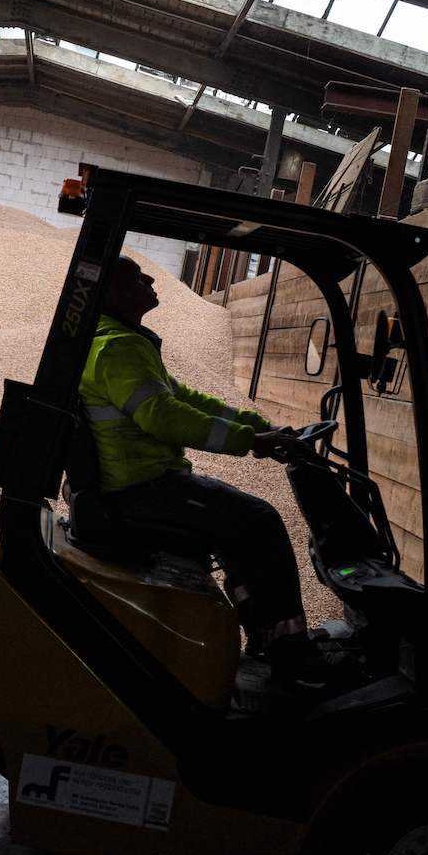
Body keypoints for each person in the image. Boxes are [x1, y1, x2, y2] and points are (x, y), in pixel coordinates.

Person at [78, 255, 333, 687]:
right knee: (260, 520)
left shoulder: (120, 341)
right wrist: (251, 443)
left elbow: (189, 398)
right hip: (142, 485)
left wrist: (260, 427)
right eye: (136, 277)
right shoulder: (119, 347)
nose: (150, 279)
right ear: (113, 293)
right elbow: (164, 416)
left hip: (138, 482)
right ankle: (293, 655)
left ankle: (264, 637)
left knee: (236, 531)